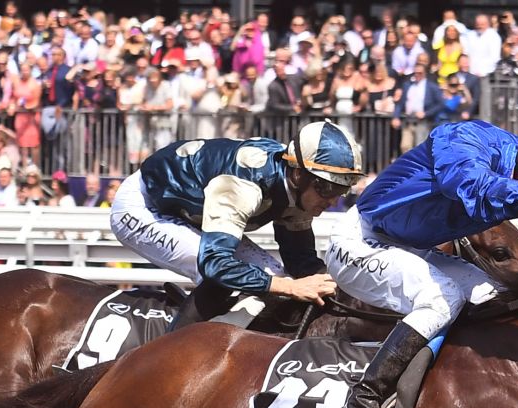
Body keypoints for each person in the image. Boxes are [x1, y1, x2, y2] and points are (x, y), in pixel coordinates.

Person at [326, 122, 518, 408]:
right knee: (442, 296)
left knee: (498, 296)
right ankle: (363, 401)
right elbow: (477, 188)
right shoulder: (464, 139)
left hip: (410, 247)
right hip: (359, 241)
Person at [110, 120, 359, 328]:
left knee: (278, 280)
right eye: (327, 187)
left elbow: (301, 261)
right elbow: (215, 265)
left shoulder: (299, 183)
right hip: (145, 207)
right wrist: (290, 287)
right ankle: (169, 357)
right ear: (297, 174)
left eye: (342, 189)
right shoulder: (245, 186)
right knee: (231, 279)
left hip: (192, 208)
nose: (333, 199)